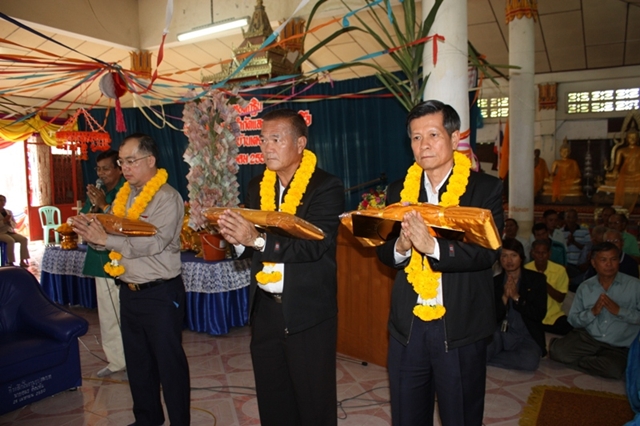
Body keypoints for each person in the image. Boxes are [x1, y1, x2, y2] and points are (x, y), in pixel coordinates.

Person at [376, 100, 503, 426]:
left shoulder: (484, 189)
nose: (424, 145)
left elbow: (487, 252)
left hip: (460, 326)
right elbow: (384, 252)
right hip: (408, 326)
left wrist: (431, 246)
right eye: (416, 137)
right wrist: (402, 246)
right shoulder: (399, 191)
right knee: (407, 414)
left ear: (454, 137)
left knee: (460, 414)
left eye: (433, 134)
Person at [217, 109, 344, 426]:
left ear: (300, 143)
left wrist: (257, 240)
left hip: (307, 311)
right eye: (262, 140)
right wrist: (237, 239)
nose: (267, 148)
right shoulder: (256, 186)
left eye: (276, 139)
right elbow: (251, 246)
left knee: (313, 401)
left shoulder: (325, 187)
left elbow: (314, 246)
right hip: (266, 310)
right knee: (273, 398)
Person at [72, 133, 190, 425]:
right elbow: (110, 237)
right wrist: (92, 234)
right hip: (129, 290)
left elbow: (155, 243)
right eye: (122, 162)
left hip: (160, 294)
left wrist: (107, 240)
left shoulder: (166, 197)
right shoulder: (123, 197)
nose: (125, 168)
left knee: (169, 364)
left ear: (150, 160)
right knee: (138, 363)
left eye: (131, 161)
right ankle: (147, 419)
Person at [549, 242, 640, 379]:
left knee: (613, 371)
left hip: (618, 343)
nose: (609, 264)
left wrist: (620, 311)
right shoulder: (585, 287)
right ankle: (590, 358)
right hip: (589, 337)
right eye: (603, 260)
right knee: (557, 353)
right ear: (593, 263)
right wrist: (592, 312)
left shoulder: (635, 286)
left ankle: (584, 360)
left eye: (613, 259)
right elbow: (573, 320)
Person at [79, 150, 127, 377]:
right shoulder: (98, 194)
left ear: (120, 169)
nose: (101, 173)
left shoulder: (127, 191)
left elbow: (124, 223)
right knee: (109, 314)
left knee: (129, 314)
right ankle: (116, 360)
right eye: (98, 169)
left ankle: (135, 357)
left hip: (126, 260)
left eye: (106, 169)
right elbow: (83, 220)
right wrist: (94, 205)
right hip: (101, 261)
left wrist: (104, 204)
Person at [487, 238, 547, 371]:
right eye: (504, 256)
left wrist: (516, 297)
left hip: (526, 334)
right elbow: (490, 317)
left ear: (521, 258)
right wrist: (504, 298)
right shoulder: (495, 282)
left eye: (513, 255)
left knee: (529, 362)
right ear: (499, 260)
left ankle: (491, 358)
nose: (509, 260)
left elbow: (539, 314)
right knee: (482, 350)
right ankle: (490, 356)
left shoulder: (536, 280)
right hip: (500, 333)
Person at [525, 239, 573, 335]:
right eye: (537, 253)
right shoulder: (525, 270)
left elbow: (560, 298)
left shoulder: (560, 270)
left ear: (549, 254)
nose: (540, 256)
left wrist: (543, 283)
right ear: (532, 253)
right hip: (533, 315)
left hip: (553, 315)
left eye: (544, 253)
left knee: (569, 329)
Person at [612, 129, 640, 211]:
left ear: (638, 139)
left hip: (638, 173)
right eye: (630, 137)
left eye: (634, 137)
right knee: (609, 176)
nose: (632, 139)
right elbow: (617, 164)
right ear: (626, 139)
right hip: (625, 173)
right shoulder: (621, 150)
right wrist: (615, 170)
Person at [0, 194, 29, 267]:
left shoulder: (8, 212)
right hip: (1, 233)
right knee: (10, 241)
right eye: (0, 200)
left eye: (3, 201)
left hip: (10, 231)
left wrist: (10, 223)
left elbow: (15, 224)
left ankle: (22, 260)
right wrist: (3, 221)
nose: (2, 202)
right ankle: (11, 262)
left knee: (24, 239)